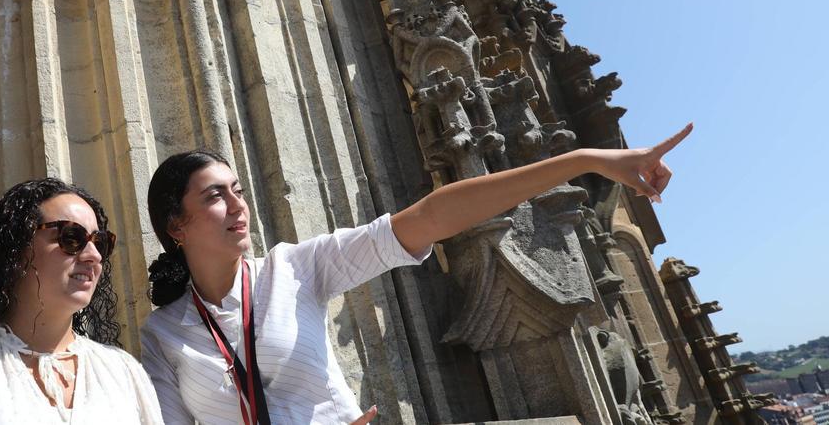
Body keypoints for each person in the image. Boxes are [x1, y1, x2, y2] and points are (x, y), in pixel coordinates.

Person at [140, 125, 693, 424]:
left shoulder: (293, 269)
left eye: (238, 191)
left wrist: (585, 161)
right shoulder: (163, 334)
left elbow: (429, 217)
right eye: (216, 196)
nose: (239, 206)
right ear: (176, 227)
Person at [0, 178, 163, 424]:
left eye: (100, 242)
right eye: (71, 237)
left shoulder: (124, 372)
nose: (93, 255)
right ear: (15, 249)